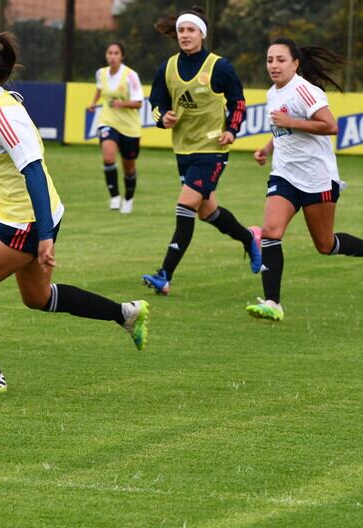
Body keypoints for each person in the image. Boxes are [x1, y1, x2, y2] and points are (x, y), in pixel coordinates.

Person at [0, 32, 149, 394]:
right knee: (38, 298)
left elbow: (34, 171)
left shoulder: (5, 114)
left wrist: (44, 236)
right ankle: (125, 313)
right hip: (30, 218)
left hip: (25, 221)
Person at [141, 6, 262, 296]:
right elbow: (156, 101)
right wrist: (163, 117)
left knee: (185, 206)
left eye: (190, 30)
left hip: (212, 149)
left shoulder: (219, 67)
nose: (185, 35)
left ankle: (164, 274)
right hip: (183, 149)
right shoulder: (167, 67)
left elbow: (238, 102)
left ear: (202, 34)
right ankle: (249, 239)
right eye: (181, 30)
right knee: (208, 211)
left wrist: (232, 129)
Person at [247, 38, 362, 321]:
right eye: (270, 60)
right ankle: (273, 303)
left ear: (295, 63)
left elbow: (331, 125)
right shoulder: (273, 92)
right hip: (284, 174)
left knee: (325, 245)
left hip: (317, 179)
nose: (274, 65)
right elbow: (281, 128)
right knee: (271, 232)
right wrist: (266, 147)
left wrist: (292, 123)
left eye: (280, 60)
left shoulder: (305, 91)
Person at [88, 42, 144, 214]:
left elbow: (139, 103)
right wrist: (93, 102)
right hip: (108, 121)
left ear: (122, 56)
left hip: (130, 127)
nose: (112, 56)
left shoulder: (131, 76)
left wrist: (122, 103)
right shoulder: (101, 73)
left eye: (116, 53)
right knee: (109, 156)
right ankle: (114, 196)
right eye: (109, 53)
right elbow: (99, 89)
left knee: (129, 167)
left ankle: (128, 198)